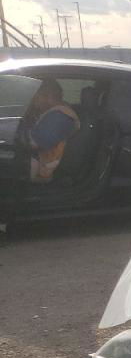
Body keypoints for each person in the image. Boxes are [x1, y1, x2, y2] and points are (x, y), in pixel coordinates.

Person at [0, 79, 79, 240]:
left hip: (43, 166)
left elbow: (35, 143)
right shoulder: (53, 113)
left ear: (47, 96)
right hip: (35, 159)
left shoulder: (60, 116)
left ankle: (3, 224)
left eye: (36, 96)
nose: (33, 100)